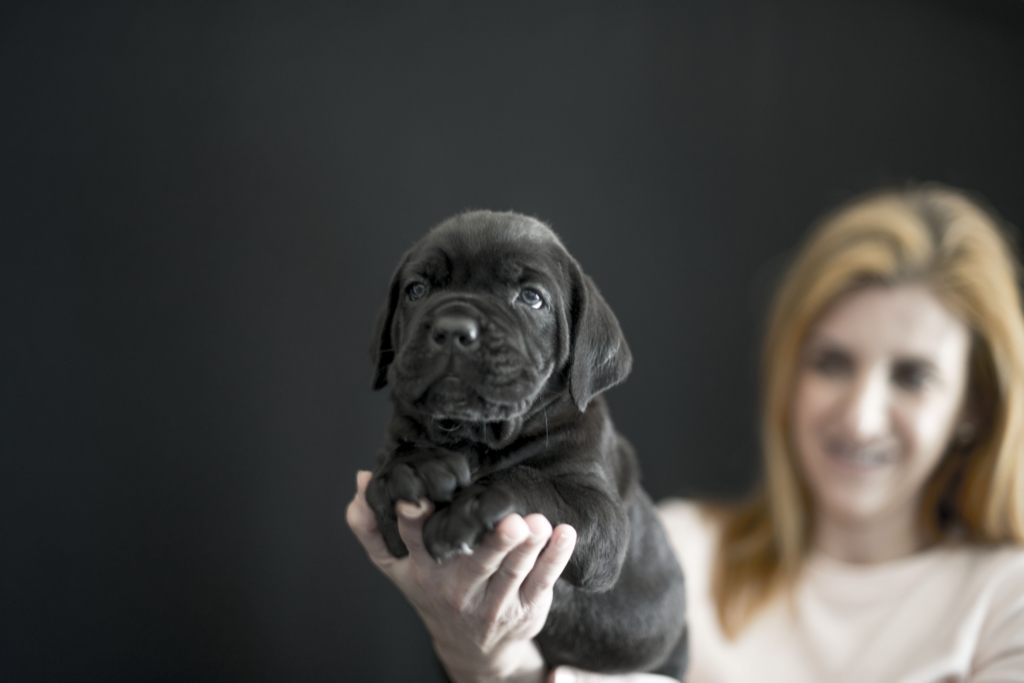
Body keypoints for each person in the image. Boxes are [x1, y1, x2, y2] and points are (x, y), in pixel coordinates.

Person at [347, 184, 1024, 682]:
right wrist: (477, 650)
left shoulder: (1006, 598)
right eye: (831, 362)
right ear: (786, 370)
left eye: (913, 376)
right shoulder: (680, 548)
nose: (860, 414)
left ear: (975, 402)